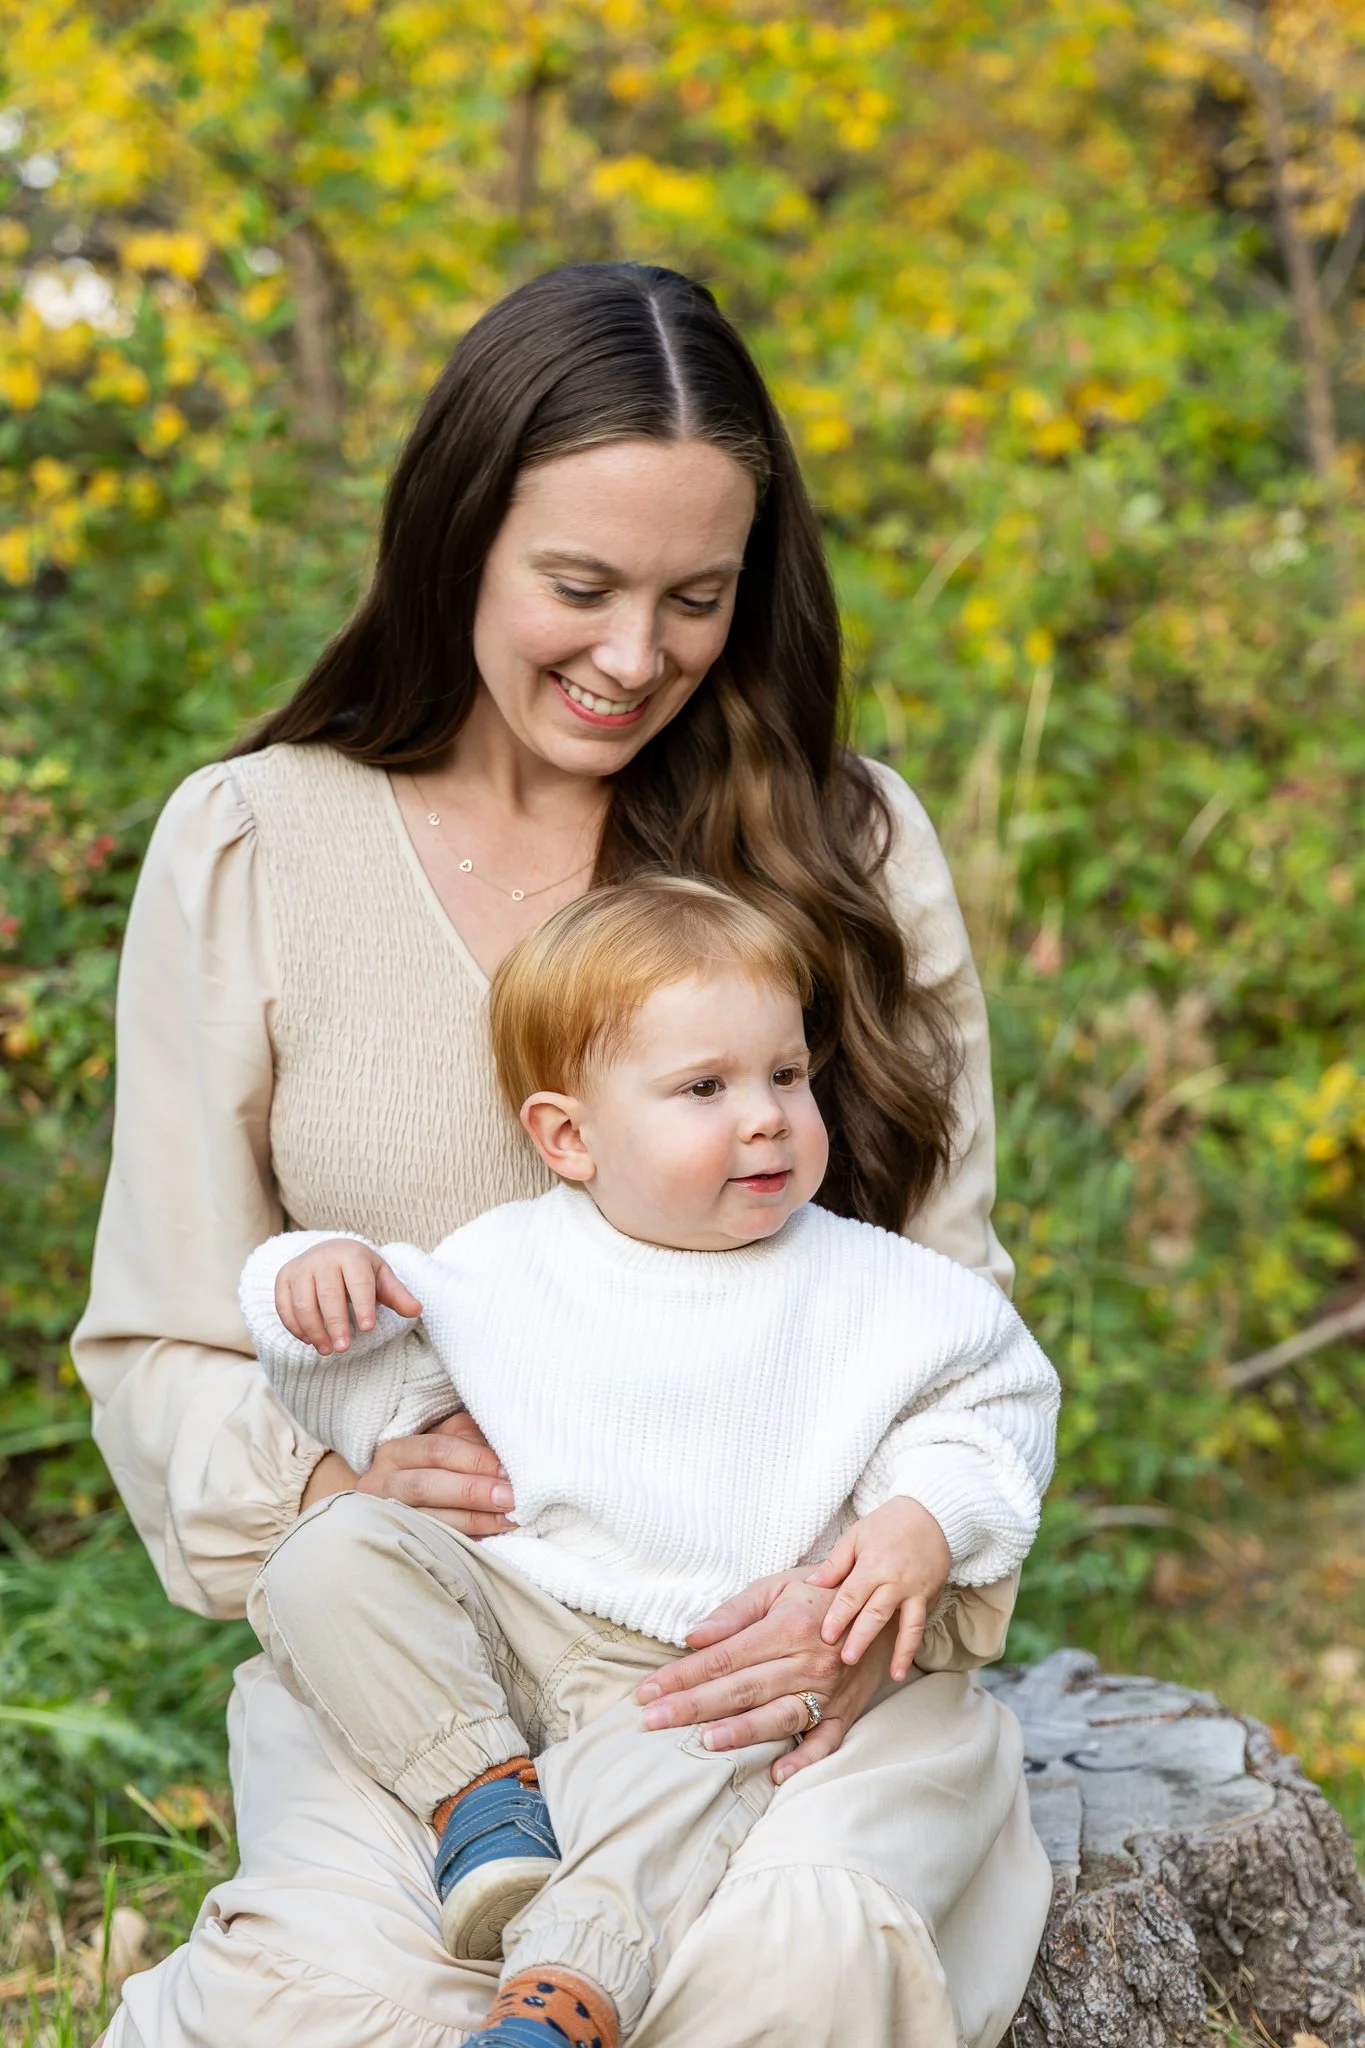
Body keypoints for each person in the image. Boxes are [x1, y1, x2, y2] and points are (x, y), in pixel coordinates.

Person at [74, 260, 1054, 2048]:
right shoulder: (253, 842)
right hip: (431, 1671)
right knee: (333, 2008)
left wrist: (865, 1589)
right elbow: (161, 1338)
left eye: (696, 597)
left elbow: (960, 1312)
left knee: (789, 1966)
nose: (632, 658)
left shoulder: (846, 845)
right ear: (455, 540)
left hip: (772, 1673)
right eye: (580, 586)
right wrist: (335, 1496)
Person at [238, 879, 1059, 2048]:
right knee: (330, 1554)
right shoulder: (505, 1265)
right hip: (518, 1623)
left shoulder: (880, 1285)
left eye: (786, 1075)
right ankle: (479, 1798)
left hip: (713, 1658)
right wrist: (305, 1285)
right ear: (567, 1135)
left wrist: (929, 1514)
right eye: (704, 1089)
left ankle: (564, 1991)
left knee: (678, 1784)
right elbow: (366, 1399)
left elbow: (997, 1398)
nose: (768, 1116)